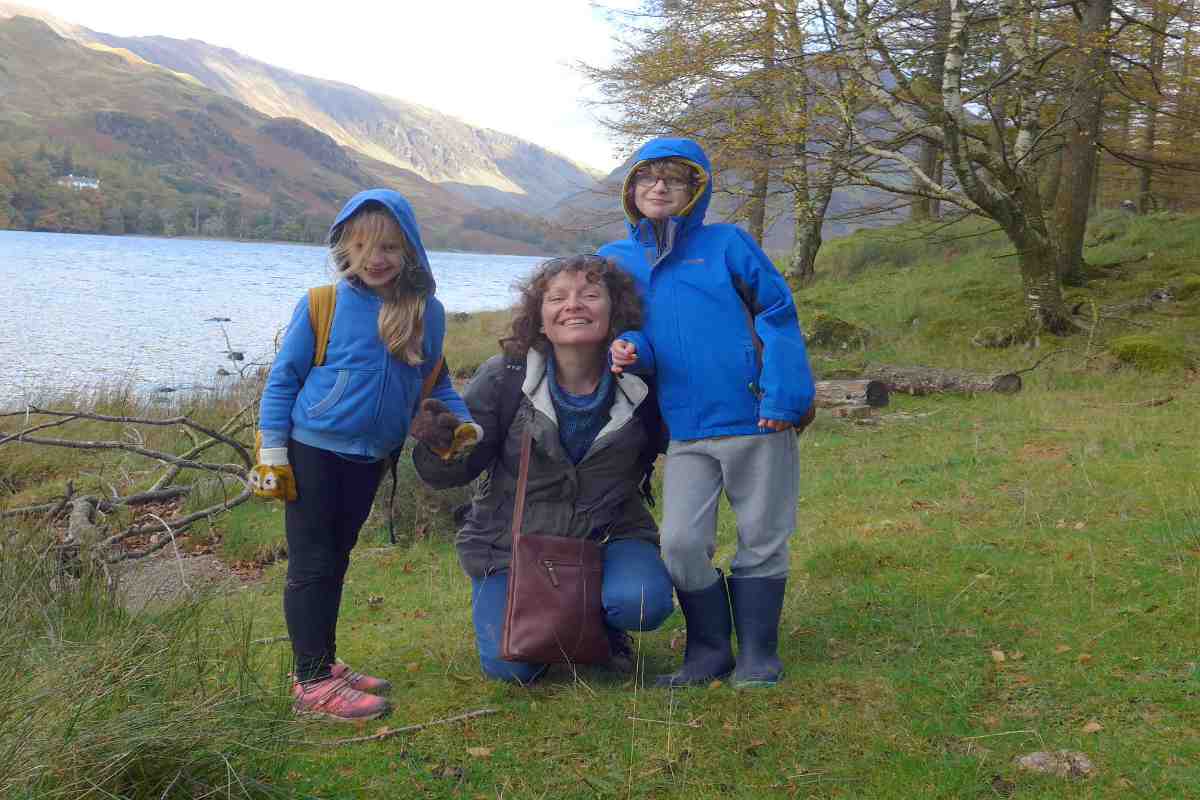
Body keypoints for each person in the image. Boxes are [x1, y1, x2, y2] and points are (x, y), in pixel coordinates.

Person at [255, 189, 480, 721]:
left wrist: (462, 422)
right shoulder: (321, 304)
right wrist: (272, 453)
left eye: (388, 247)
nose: (375, 258)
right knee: (311, 564)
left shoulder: (429, 313)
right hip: (312, 452)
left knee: (336, 558)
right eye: (361, 246)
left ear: (410, 251)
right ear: (345, 250)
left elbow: (435, 380)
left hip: (373, 458)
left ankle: (323, 663)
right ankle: (310, 681)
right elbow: (282, 381)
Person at [601, 137, 816, 689]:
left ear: (697, 189)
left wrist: (784, 395)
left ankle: (759, 654)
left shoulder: (729, 245)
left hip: (756, 418)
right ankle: (709, 651)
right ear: (630, 190)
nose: (659, 187)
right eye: (647, 178)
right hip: (686, 430)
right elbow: (639, 334)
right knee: (679, 542)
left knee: (762, 536)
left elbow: (777, 312)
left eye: (675, 178)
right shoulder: (617, 260)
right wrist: (628, 350)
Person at [413, 254, 674, 684]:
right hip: (508, 547)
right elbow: (452, 472)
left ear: (615, 313)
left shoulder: (642, 383)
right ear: (540, 317)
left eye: (590, 295)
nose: (573, 304)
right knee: (512, 669)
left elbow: (687, 439)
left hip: (609, 536)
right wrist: (440, 446)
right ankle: (556, 620)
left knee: (641, 602)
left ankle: (603, 626)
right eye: (557, 297)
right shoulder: (505, 378)